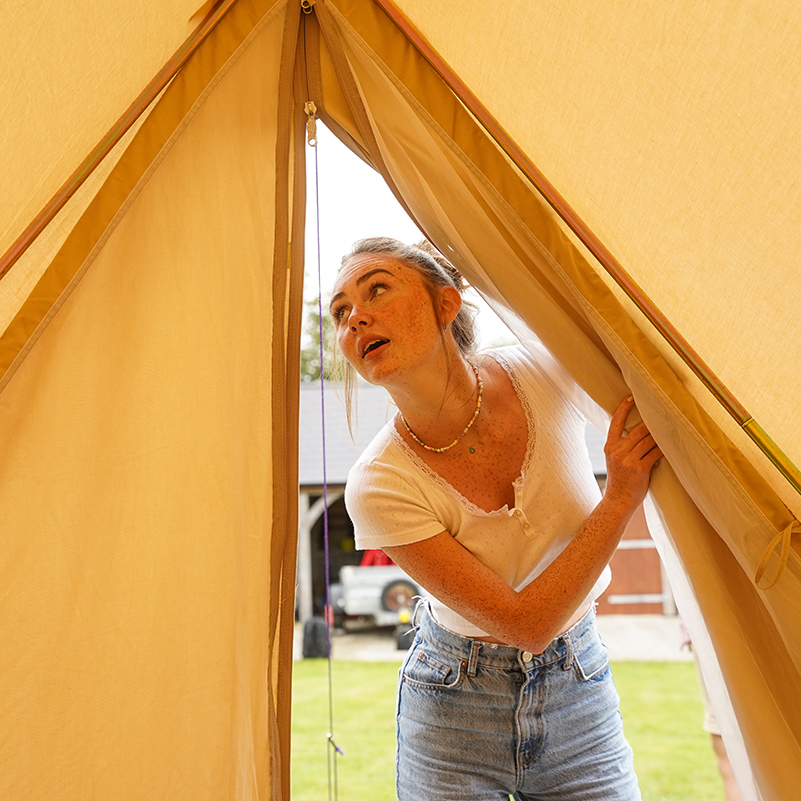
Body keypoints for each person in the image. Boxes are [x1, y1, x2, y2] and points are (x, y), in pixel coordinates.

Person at [329, 237, 663, 801]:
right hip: (452, 708)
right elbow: (524, 625)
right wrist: (619, 499)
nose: (355, 318)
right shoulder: (378, 484)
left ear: (446, 303)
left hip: (579, 685)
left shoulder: (546, 368)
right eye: (340, 313)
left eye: (377, 290)